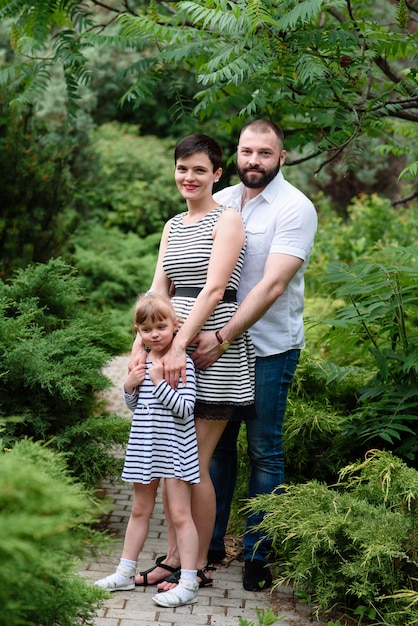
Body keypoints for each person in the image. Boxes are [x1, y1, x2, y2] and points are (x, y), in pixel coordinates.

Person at [189, 119, 318, 592]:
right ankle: (212, 544)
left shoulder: (295, 208)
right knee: (218, 451)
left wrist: (220, 335)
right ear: (235, 156)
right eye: (246, 152)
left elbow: (272, 285)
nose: (254, 161)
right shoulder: (220, 202)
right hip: (216, 349)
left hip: (267, 348)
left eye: (265, 153)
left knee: (264, 451)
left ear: (282, 157)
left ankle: (260, 555)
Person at [129, 133, 255, 590]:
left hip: (209, 353)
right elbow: (159, 288)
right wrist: (139, 348)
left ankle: (196, 566)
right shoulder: (172, 225)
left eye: (200, 169)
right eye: (183, 168)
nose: (189, 177)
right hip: (171, 348)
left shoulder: (229, 219)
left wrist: (180, 344)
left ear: (218, 174)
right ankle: (173, 560)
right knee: (170, 465)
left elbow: (214, 290)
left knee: (192, 465)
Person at [94, 292, 200, 607]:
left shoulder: (182, 364)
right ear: (138, 332)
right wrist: (129, 385)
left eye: (161, 326)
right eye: (146, 329)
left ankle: (189, 582)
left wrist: (160, 382)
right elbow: (137, 405)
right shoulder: (144, 361)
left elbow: (185, 408)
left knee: (181, 514)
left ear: (175, 326)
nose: (155, 334)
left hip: (175, 448)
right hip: (145, 446)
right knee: (139, 510)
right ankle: (125, 573)